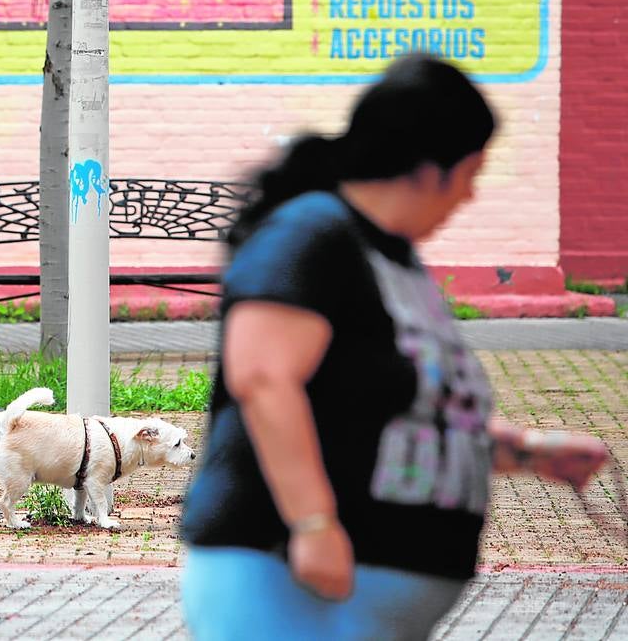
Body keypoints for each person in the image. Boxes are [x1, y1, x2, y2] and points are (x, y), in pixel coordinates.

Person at [179, 54, 608, 640]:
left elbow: (398, 410)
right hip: (284, 582)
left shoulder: (390, 257)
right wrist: (313, 523)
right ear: (431, 169)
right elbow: (262, 376)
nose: (469, 196)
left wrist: (527, 453)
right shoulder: (312, 233)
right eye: (470, 174)